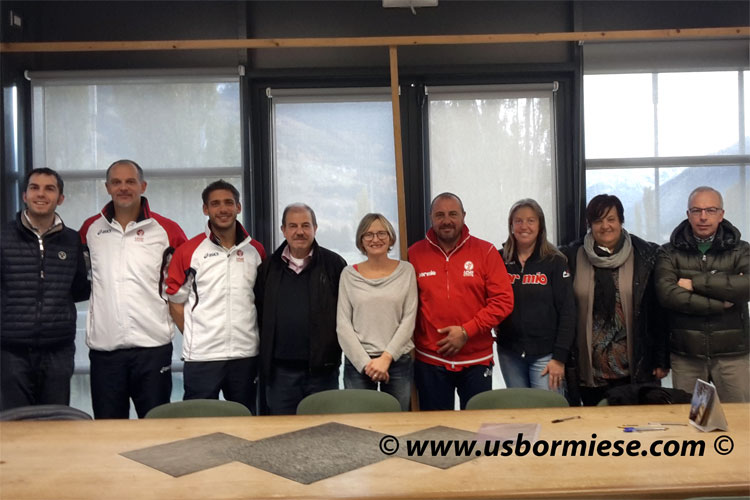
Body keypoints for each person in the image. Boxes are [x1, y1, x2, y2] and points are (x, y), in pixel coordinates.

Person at [79, 159, 187, 418]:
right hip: (105, 351)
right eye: (116, 182)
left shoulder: (167, 230)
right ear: (107, 187)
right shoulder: (90, 229)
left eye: (130, 181)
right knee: (108, 430)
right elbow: (78, 277)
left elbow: (185, 283)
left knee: (155, 429)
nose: (123, 188)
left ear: (143, 186)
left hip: (153, 348)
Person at [165, 180, 265, 413]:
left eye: (229, 203)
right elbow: (175, 302)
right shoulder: (189, 251)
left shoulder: (256, 251)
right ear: (205, 209)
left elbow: (261, 301)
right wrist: (197, 335)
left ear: (238, 207)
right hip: (202, 357)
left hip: (245, 354)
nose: (223, 209)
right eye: (215, 204)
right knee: (199, 423)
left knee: (244, 421)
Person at [408, 193, 514, 410]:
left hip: (476, 360)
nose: (446, 220)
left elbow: (503, 301)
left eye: (453, 214)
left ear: (464, 216)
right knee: (436, 427)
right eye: (440, 215)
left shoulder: (486, 252)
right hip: (430, 360)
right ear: (431, 217)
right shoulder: (414, 254)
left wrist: (467, 331)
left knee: (476, 426)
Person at [560, 194, 668, 406]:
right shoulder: (570, 257)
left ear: (621, 221)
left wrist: (661, 358)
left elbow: (658, 313)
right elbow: (562, 311)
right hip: (590, 370)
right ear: (589, 225)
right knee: (596, 425)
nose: (605, 226)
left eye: (611, 219)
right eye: (598, 220)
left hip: (635, 368)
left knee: (637, 424)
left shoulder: (647, 255)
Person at [1, 168, 90, 410]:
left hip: (58, 350)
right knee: (16, 423)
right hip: (10, 351)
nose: (41, 194)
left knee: (55, 422)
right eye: (34, 188)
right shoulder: (3, 237)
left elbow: (79, 288)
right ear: (25, 196)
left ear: (60, 198)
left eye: (49, 189)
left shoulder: (72, 240)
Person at [655, 186, 749, 403]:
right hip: (687, 355)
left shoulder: (742, 250)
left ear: (721, 214)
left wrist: (694, 283)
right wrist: (720, 302)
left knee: (740, 418)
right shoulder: (668, 252)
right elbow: (667, 294)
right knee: (693, 418)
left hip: (732, 355)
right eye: (696, 210)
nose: (703, 217)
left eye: (711, 210)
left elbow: (747, 286)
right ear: (688, 214)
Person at [254, 203, 347, 415]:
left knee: (324, 430)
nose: (299, 231)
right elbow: (259, 313)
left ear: (315, 228)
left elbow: (346, 314)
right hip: (280, 374)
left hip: (323, 372)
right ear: (283, 230)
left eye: (305, 225)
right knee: (282, 431)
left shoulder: (334, 265)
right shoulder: (268, 268)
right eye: (293, 226)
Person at [336, 213, 417, 411]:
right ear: (361, 240)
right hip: (358, 363)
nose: (375, 239)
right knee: (360, 424)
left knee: (397, 422)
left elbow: (409, 319)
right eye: (368, 234)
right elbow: (343, 325)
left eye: (382, 233)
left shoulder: (406, 271)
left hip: (398, 361)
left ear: (390, 237)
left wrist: (386, 358)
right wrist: (367, 364)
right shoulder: (348, 274)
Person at [496, 199, 575, 395]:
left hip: (546, 356)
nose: (524, 226)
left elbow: (568, 311)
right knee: (519, 410)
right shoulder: (499, 259)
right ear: (511, 225)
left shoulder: (555, 261)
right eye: (518, 221)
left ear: (540, 225)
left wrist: (559, 358)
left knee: (547, 411)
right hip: (510, 353)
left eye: (531, 220)